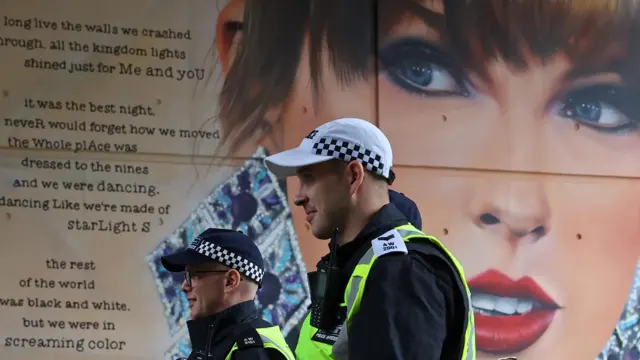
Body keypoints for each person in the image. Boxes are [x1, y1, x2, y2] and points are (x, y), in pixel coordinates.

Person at [263, 117, 476, 360]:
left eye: (309, 178)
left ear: (354, 176)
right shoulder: (362, 264)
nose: (299, 197)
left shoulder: (402, 270)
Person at [160, 228, 295, 360]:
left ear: (230, 281)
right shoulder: (218, 344)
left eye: (193, 275)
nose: (184, 286)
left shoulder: (251, 352)